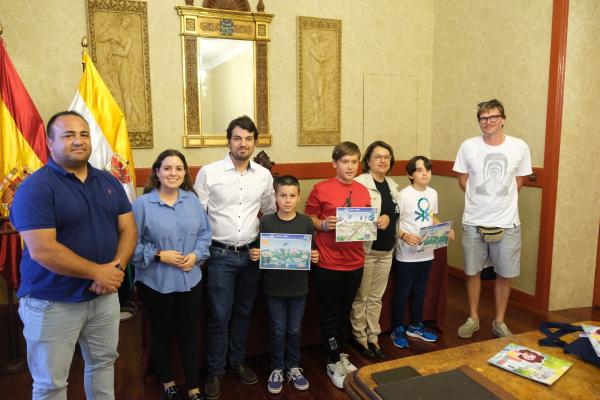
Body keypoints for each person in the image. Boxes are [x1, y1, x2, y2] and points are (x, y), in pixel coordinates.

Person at [9, 111, 137, 399]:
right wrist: (98, 272)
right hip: (52, 301)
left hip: (103, 297)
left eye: (83, 134)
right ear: (50, 143)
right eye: (68, 135)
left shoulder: (108, 181)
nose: (78, 141)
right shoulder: (35, 188)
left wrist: (115, 270)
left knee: (103, 365)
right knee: (51, 384)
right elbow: (43, 249)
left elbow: (129, 229)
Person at [193, 115, 276, 400]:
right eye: (238, 138)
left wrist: (265, 246)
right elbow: (198, 216)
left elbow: (269, 211)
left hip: (251, 255)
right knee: (219, 315)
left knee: (244, 312)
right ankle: (215, 370)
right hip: (219, 255)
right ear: (228, 141)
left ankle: (237, 361)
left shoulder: (263, 175)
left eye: (249, 139)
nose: (243, 144)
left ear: (255, 142)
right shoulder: (209, 173)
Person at [132, 150, 211, 400]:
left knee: (188, 333)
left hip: (191, 280)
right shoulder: (142, 205)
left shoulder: (192, 201)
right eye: (167, 168)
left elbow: (205, 235)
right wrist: (158, 255)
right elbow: (130, 245)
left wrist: (196, 255)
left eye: (178, 168)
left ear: (185, 173)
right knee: (161, 333)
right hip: (156, 283)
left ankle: (193, 387)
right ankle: (168, 382)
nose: (173, 173)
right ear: (157, 172)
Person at [453, 99, 532, 339]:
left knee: (505, 274)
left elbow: (519, 181)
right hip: (474, 221)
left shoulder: (519, 146)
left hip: (508, 222)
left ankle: (499, 321)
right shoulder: (468, 146)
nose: (488, 122)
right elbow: (463, 180)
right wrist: (481, 198)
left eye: (493, 117)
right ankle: (473, 318)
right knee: (472, 272)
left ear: (503, 119)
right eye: (483, 118)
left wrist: (500, 199)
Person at [305, 141, 372, 389]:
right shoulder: (320, 188)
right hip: (328, 262)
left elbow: (366, 221)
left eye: (354, 161)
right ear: (334, 163)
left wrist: (375, 223)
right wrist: (323, 224)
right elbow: (309, 218)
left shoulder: (363, 191)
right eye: (345, 161)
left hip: (355, 261)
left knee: (345, 310)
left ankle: (340, 352)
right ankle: (332, 360)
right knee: (330, 312)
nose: (350, 166)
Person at [248, 175, 319, 394]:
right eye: (283, 196)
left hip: (298, 287)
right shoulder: (267, 221)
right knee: (278, 330)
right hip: (274, 287)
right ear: (276, 197)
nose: (287, 200)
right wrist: (255, 254)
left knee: (295, 329)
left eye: (292, 196)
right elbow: (259, 251)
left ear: (298, 197)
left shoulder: (306, 222)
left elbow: (311, 251)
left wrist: (314, 256)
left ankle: (293, 366)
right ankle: (277, 368)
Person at [390, 156, 455, 348]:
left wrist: (444, 229)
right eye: (419, 170)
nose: (425, 173)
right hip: (406, 253)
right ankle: (397, 328)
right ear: (410, 174)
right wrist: (404, 236)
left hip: (426, 251)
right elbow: (395, 222)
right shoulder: (403, 195)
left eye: (428, 169)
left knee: (420, 290)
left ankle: (415, 325)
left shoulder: (433, 193)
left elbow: (431, 216)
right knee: (403, 291)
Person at [350, 141, 400, 359]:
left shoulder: (393, 186)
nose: (383, 160)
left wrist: (390, 219)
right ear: (368, 161)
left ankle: (373, 335)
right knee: (362, 296)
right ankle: (359, 336)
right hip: (366, 251)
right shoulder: (359, 184)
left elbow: (396, 218)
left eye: (387, 157)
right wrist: (377, 219)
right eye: (378, 156)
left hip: (386, 251)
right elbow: (351, 219)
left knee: (376, 297)